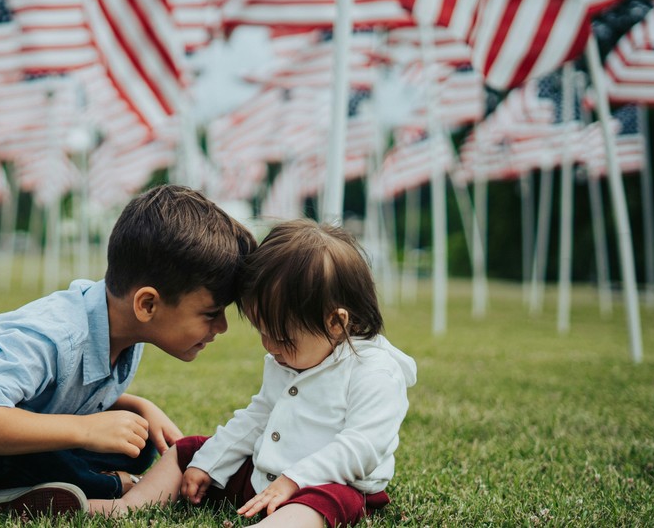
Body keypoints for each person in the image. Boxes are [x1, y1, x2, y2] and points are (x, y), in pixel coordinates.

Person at [0, 184, 257, 516]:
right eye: (210, 313)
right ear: (147, 305)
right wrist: (86, 429)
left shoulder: (121, 326)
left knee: (135, 449)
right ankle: (107, 491)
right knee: (52, 451)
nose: (220, 327)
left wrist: (137, 406)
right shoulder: (50, 334)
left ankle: (18, 493)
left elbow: (56, 392)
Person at [90, 219, 417, 527]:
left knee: (324, 502)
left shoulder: (375, 372)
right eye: (262, 331)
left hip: (327, 485)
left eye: (282, 337)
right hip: (264, 476)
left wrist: (294, 481)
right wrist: (208, 463)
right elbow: (257, 416)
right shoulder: (287, 359)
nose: (269, 346)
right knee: (190, 449)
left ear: (337, 322)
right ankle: (128, 506)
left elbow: (361, 448)